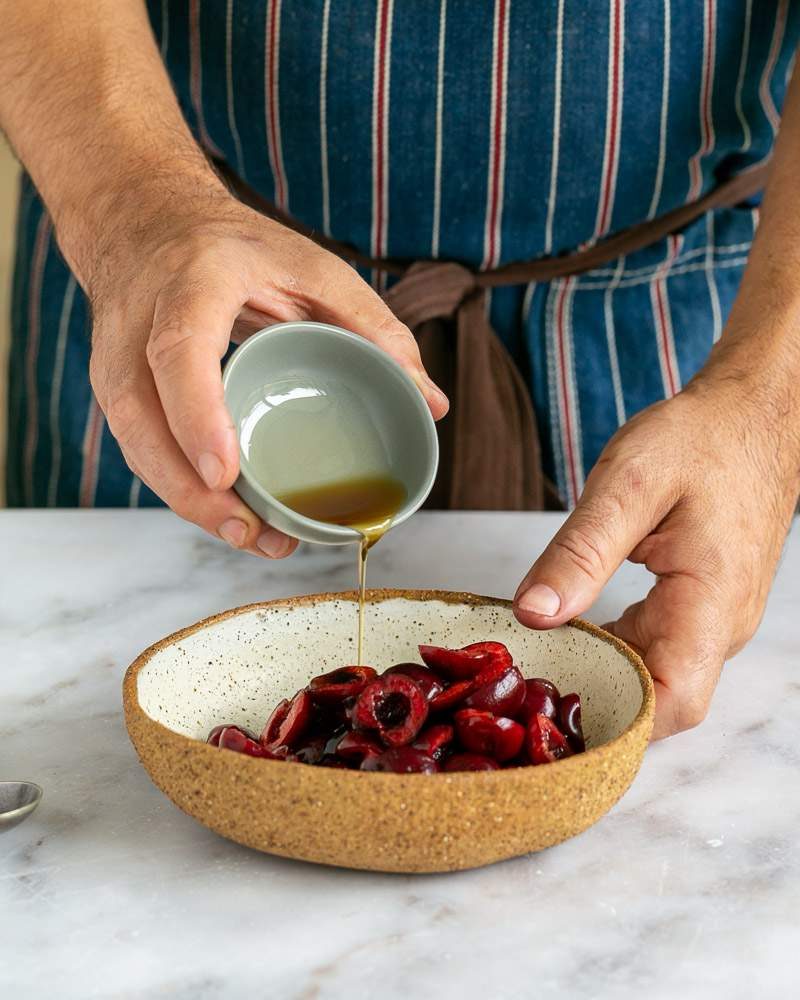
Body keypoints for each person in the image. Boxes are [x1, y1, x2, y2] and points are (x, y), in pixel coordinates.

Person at [2, 2, 799, 740]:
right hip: (181, 284)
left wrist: (768, 407)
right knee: (76, 727)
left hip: (680, 319)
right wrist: (137, 207)